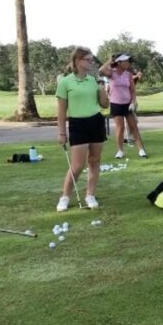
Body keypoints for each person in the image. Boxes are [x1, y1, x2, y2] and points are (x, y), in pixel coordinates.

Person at [55, 47, 109, 211]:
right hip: (77, 124)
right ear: (78, 61)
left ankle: (90, 195)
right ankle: (65, 196)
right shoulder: (65, 82)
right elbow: (61, 111)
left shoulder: (93, 81)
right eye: (88, 59)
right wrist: (62, 132)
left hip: (95, 121)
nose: (91, 63)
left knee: (94, 161)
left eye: (92, 60)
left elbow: (105, 105)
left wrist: (102, 90)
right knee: (77, 165)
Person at [99, 54, 147, 158]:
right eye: (125, 61)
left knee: (134, 127)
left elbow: (133, 91)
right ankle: (120, 151)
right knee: (120, 128)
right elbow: (101, 70)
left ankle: (141, 150)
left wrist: (133, 102)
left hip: (127, 104)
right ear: (119, 62)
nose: (128, 63)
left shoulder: (128, 74)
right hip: (116, 104)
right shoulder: (111, 73)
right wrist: (110, 60)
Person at [124, 66, 143, 144]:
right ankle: (127, 137)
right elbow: (131, 78)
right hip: (126, 99)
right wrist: (137, 75)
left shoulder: (132, 74)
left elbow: (139, 79)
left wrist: (139, 75)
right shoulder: (125, 75)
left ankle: (128, 136)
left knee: (133, 120)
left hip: (133, 99)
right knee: (133, 120)